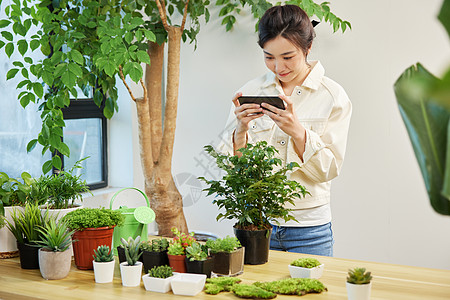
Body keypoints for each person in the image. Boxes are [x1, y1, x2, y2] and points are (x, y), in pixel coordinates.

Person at [217, 4, 352, 257]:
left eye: (287, 57)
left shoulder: (333, 97)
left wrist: (298, 132)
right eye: (269, 57)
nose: (279, 67)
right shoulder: (249, 91)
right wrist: (240, 131)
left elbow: (329, 170)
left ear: (307, 48)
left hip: (309, 231)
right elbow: (235, 172)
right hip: (255, 223)